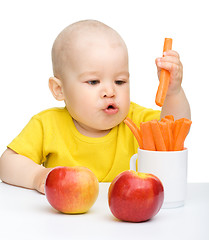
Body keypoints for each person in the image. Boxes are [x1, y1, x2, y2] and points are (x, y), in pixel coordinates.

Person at [0, 20, 191, 194]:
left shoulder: (136, 122)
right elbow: (7, 163)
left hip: (127, 223)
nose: (110, 91)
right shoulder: (47, 124)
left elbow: (174, 130)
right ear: (59, 89)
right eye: (93, 82)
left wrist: (173, 91)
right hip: (64, 225)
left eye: (120, 81)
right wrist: (37, 176)